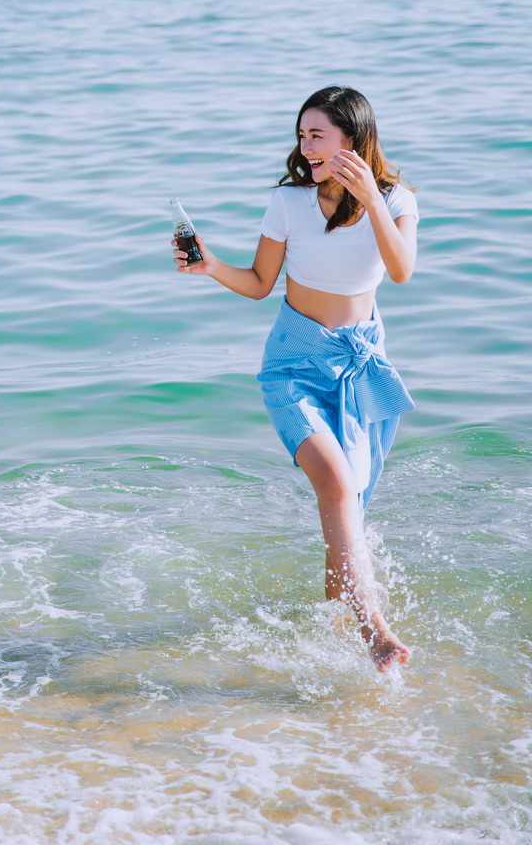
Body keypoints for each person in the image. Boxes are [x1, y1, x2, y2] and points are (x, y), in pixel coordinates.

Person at [173, 86, 417, 670]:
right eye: (302, 136)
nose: (306, 148)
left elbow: (402, 271)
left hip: (360, 362)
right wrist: (211, 267)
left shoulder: (396, 200)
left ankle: (334, 618)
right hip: (292, 364)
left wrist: (372, 200)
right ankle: (374, 630)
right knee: (337, 485)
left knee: (349, 499)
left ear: (354, 140)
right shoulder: (289, 202)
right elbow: (261, 284)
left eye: (318, 136)